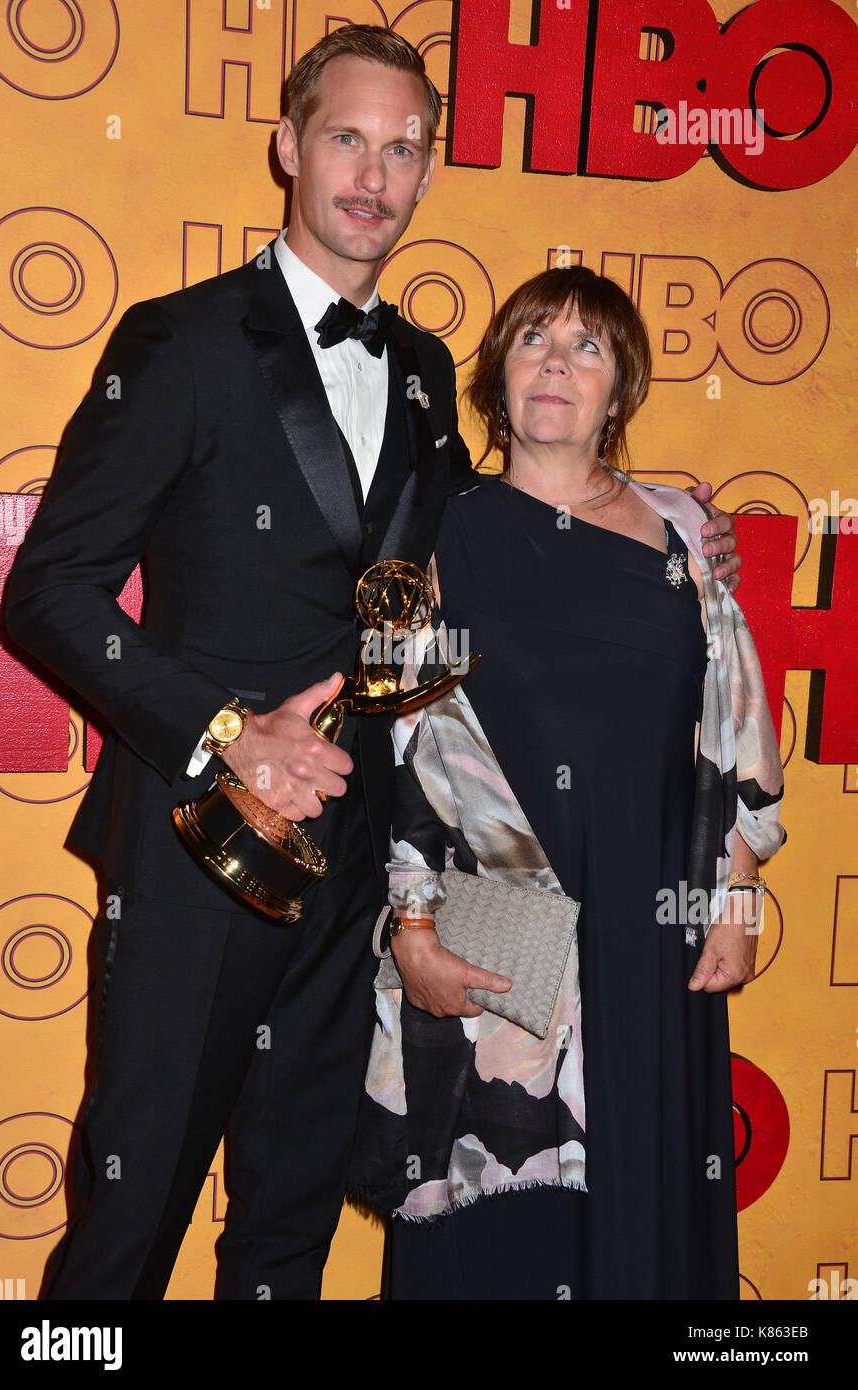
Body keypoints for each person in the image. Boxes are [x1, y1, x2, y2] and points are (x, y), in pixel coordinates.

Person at [2, 26, 740, 1300]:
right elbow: (49, 594)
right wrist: (233, 731)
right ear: (288, 144)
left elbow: (502, 529)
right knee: (125, 1233)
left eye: (404, 149)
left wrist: (658, 513)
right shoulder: (179, 344)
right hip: (195, 852)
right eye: (346, 137)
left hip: (351, 885)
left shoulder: (416, 372)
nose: (373, 174)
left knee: (286, 1232)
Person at [349, 266, 784, 1300]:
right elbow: (402, 751)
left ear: (619, 390)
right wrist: (412, 932)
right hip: (499, 934)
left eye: (587, 347)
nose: (556, 362)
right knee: (501, 1215)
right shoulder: (434, 529)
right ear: (497, 376)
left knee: (643, 1213)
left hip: (651, 935)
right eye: (535, 339)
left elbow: (727, 726)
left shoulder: (681, 530)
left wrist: (731, 893)